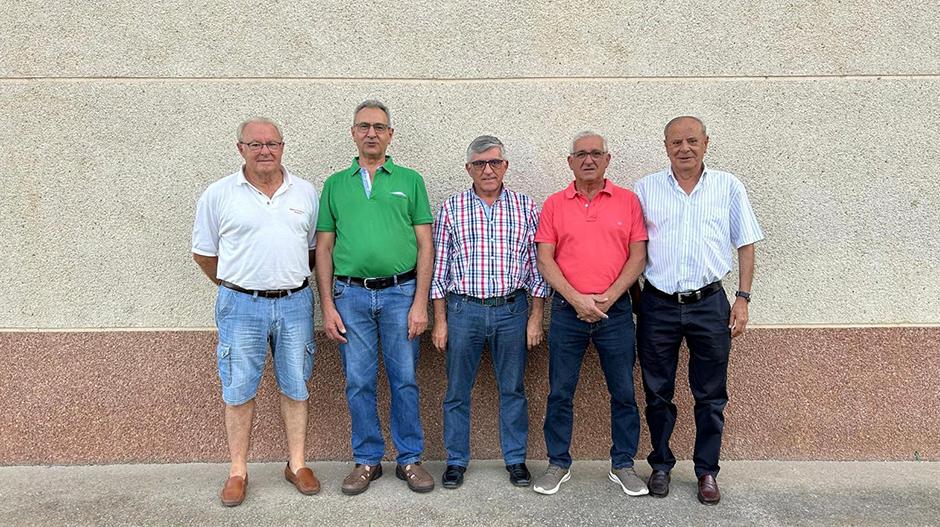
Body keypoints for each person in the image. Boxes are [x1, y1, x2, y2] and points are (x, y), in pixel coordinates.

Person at [635, 116, 764, 505]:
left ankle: (707, 470)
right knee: (657, 392)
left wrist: (742, 297)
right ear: (666, 146)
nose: (684, 148)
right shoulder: (645, 189)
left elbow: (746, 243)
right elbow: (633, 248)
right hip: (657, 303)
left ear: (706, 143)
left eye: (692, 140)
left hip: (710, 303)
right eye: (676, 142)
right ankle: (660, 465)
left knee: (710, 395)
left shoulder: (727, 187)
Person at [192, 117, 320, 507]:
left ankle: (296, 464)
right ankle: (237, 471)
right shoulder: (218, 195)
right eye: (255, 144)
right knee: (238, 389)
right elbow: (203, 253)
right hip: (240, 305)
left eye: (272, 143)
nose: (265, 150)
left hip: (296, 302)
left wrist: (282, 279)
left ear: (283, 147)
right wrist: (239, 285)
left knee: (296, 384)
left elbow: (314, 250)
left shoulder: (306, 193)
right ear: (240, 149)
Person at [315, 100, 435, 494]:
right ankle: (367, 460)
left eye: (379, 127)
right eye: (364, 126)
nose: (371, 133)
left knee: (404, 380)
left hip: (401, 294)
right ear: (353, 133)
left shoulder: (410, 180)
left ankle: (409, 459)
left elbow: (425, 245)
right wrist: (328, 306)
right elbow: (325, 249)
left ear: (390, 135)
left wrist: (421, 302)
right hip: (350, 297)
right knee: (358, 380)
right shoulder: (335, 184)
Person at [532, 131, 649, 496]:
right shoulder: (554, 204)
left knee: (624, 392)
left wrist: (608, 298)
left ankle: (624, 464)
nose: (588, 160)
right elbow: (545, 258)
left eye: (596, 153)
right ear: (569, 162)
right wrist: (578, 299)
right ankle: (558, 463)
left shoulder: (628, 202)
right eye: (581, 154)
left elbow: (638, 256)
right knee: (560, 392)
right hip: (568, 312)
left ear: (607, 159)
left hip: (616, 312)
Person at [430, 135, 549, 489]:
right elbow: (440, 270)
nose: (488, 170)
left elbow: (536, 267)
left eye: (495, 162)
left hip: (512, 310)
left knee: (512, 389)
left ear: (505, 166)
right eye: (480, 164)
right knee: (456, 391)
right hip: (463, 310)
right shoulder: (452, 209)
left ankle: (515, 459)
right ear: (468, 168)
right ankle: (455, 460)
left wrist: (536, 316)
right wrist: (440, 321)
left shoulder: (526, 207)